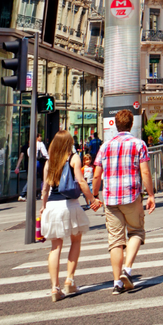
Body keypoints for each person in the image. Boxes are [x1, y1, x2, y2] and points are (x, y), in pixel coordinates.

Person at [91, 109, 155, 294]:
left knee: (115, 242)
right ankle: (127, 269)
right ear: (131, 124)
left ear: (116, 125)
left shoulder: (105, 146)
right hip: (132, 196)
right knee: (136, 232)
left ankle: (117, 282)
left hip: (111, 199)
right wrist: (150, 195)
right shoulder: (138, 144)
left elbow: (96, 175)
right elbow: (145, 172)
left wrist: (95, 196)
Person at [41, 129, 99, 302]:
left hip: (52, 204)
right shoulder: (73, 158)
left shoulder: (49, 161)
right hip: (69, 205)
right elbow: (81, 181)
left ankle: (54, 288)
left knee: (55, 247)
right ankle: (70, 280)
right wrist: (91, 199)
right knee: (75, 241)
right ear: (68, 143)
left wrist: (43, 207)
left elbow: (44, 188)